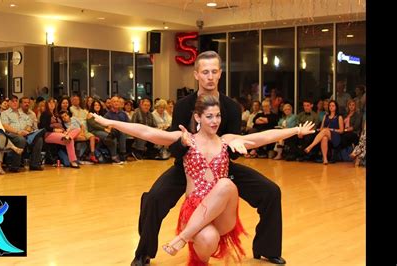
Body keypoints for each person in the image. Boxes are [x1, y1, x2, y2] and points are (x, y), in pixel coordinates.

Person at [92, 95, 315, 265]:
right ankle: (194, 243)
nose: (215, 120)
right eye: (209, 116)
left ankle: (182, 237)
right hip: (194, 210)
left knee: (227, 183)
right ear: (198, 117)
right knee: (207, 239)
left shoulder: (227, 140)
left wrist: (296, 130)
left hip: (222, 213)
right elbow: (146, 132)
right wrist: (109, 122)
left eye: (217, 116)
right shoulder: (186, 139)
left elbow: (263, 137)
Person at [129, 51, 287, 265]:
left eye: (214, 71)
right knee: (154, 198)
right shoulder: (184, 105)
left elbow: (233, 144)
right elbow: (175, 144)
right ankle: (143, 253)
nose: (210, 76)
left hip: (222, 170)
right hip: (188, 167)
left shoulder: (231, 107)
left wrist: (235, 147)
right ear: (196, 75)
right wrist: (183, 144)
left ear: (220, 73)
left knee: (270, 192)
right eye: (205, 72)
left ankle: (267, 249)